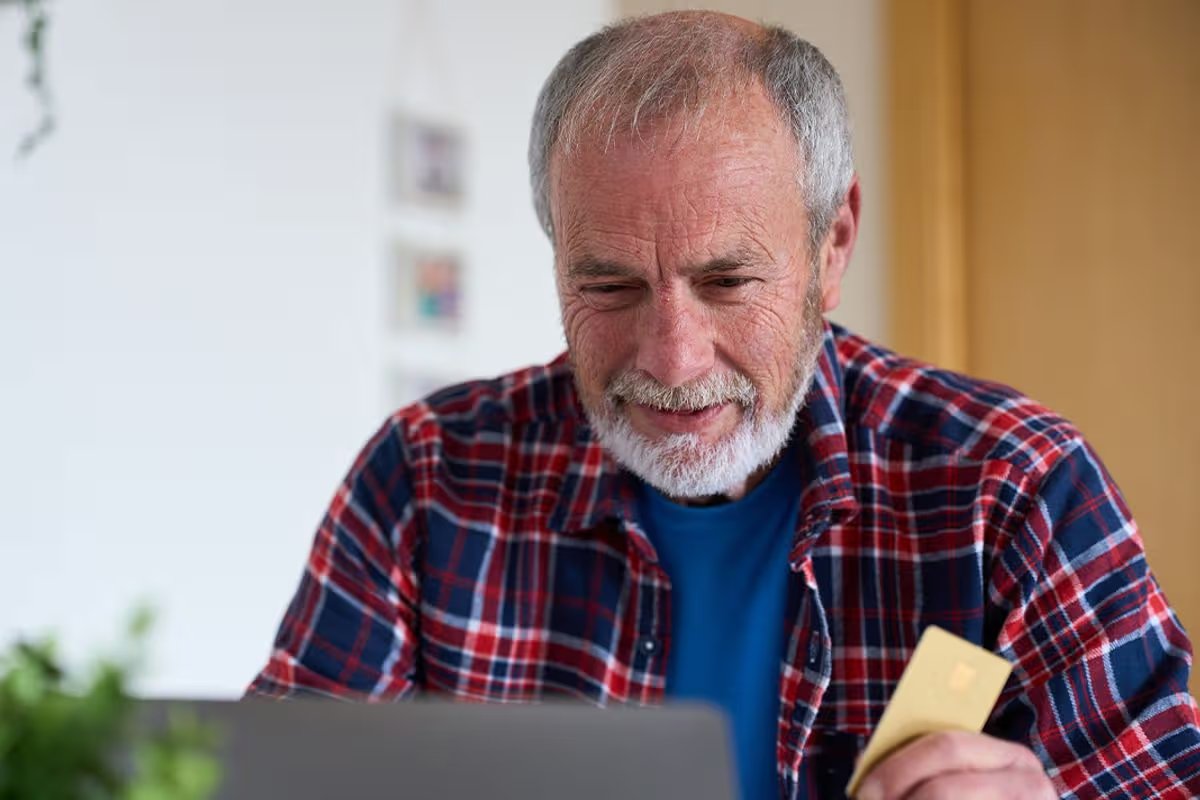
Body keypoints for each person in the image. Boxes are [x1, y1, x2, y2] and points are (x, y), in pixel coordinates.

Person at [249, 11, 1200, 799]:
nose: (672, 356)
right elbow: (272, 785)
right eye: (611, 286)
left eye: (728, 280)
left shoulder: (1015, 489)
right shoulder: (427, 479)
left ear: (833, 245)